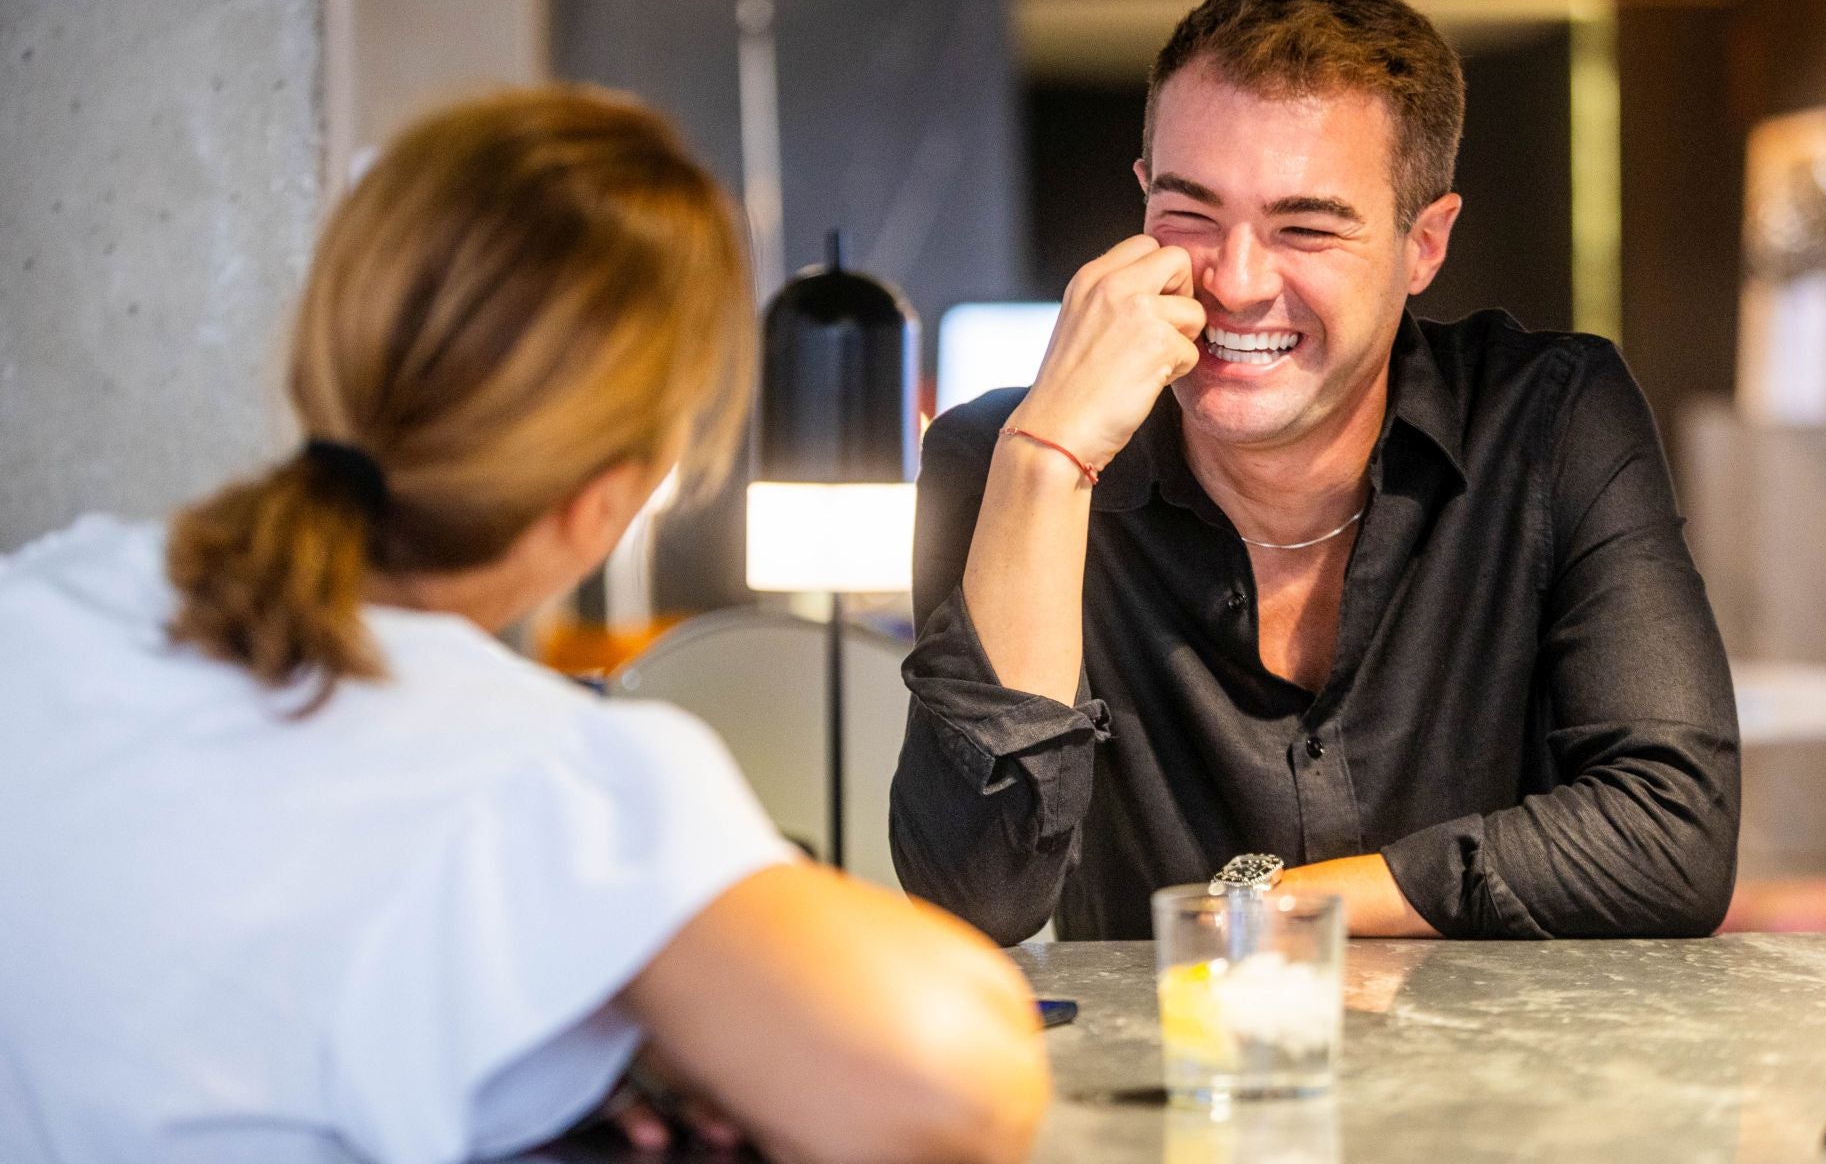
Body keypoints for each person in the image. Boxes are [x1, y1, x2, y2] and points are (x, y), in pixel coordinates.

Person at [0, 88, 1047, 1164]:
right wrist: (655, 1011)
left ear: (322, 357)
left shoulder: (39, 609)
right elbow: (959, 1087)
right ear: (608, 496)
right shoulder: (551, 779)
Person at [891, 0, 1740, 945]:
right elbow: (976, 894)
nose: (1237, 282)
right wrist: (1049, 460)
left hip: (1517, 1067)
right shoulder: (1001, 460)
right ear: (1141, 204)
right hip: (1175, 1078)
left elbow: (1673, 838)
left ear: (1423, 244)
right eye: (1189, 214)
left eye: (1306, 226)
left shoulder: (1549, 418)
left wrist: (1258, 909)